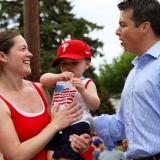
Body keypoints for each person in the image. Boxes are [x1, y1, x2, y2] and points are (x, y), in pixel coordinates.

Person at [0, 30, 91, 160]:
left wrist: (80, 144)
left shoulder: (41, 89)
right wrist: (55, 125)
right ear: (3, 56)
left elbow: (61, 134)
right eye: (23, 49)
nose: (30, 54)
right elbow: (16, 155)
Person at [93, 0, 160, 160]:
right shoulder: (135, 71)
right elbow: (123, 124)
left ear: (145, 27)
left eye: (123, 25)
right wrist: (86, 121)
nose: (117, 31)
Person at [40, 39, 100, 160]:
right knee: (50, 154)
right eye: (64, 63)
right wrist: (59, 76)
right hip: (57, 124)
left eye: (74, 63)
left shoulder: (86, 82)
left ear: (87, 64)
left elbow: (95, 105)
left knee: (67, 154)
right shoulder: (61, 81)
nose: (68, 67)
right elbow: (43, 79)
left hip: (77, 124)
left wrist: (83, 90)